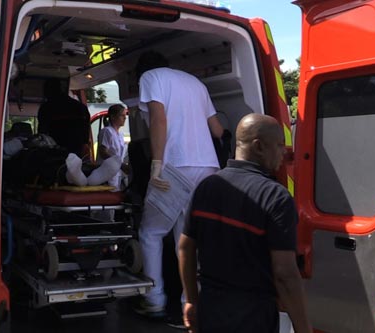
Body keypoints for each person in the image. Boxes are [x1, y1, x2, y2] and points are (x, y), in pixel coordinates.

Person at [178, 114, 312, 333]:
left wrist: (191, 300)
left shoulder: (207, 187)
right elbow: (284, 274)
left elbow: (185, 247)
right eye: (279, 145)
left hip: (210, 311)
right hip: (253, 317)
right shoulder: (275, 197)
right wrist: (304, 328)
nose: (284, 152)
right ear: (259, 146)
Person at [131, 50, 225, 327]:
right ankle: (189, 303)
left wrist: (156, 163)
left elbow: (159, 119)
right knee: (186, 235)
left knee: (150, 232)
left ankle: (155, 300)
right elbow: (218, 130)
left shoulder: (150, 77)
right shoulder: (197, 83)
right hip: (207, 167)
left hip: (176, 165)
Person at [37, 77, 90, 158]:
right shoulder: (80, 107)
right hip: (76, 152)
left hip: (54, 153)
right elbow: (86, 130)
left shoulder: (46, 108)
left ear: (48, 90)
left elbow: (42, 133)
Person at [96, 104, 130, 190]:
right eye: (122, 115)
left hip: (116, 175)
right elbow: (103, 152)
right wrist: (120, 165)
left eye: (125, 115)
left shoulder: (121, 135)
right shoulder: (107, 131)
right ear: (113, 117)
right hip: (106, 174)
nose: (125, 118)